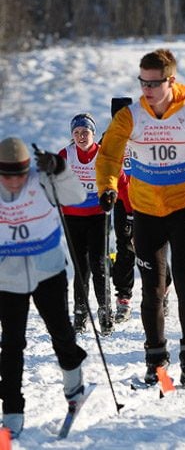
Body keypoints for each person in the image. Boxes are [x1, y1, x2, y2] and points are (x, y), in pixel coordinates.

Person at [96, 48, 185, 386]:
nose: (147, 89)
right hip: (145, 211)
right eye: (142, 82)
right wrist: (107, 188)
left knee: (184, 280)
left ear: (171, 80)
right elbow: (109, 155)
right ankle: (155, 358)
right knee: (152, 289)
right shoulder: (129, 116)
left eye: (153, 83)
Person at [0, 138, 88, 439]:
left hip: (48, 270)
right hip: (7, 277)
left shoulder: (43, 181)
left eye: (19, 175)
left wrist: (60, 168)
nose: (13, 182)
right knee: (11, 345)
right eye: (6, 176)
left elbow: (76, 195)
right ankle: (11, 412)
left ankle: (74, 386)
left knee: (61, 333)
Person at [59, 113, 127, 335]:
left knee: (99, 265)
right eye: (77, 133)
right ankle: (80, 313)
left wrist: (129, 212)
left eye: (85, 132)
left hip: (98, 215)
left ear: (93, 134)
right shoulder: (66, 155)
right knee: (80, 267)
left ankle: (105, 313)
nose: (81, 136)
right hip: (72, 216)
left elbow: (123, 182)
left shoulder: (103, 155)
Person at [106, 98, 173, 323]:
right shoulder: (109, 138)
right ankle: (123, 297)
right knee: (125, 246)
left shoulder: (145, 133)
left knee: (154, 246)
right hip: (121, 201)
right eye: (117, 116)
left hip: (148, 198)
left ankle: (163, 289)